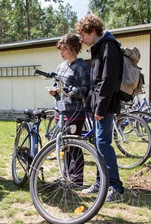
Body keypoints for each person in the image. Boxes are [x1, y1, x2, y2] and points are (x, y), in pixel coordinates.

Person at [75, 14, 125, 202]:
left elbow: (108, 81)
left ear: (93, 31)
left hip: (105, 107)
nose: (82, 40)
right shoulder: (99, 48)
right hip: (98, 106)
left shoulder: (108, 47)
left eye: (83, 35)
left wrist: (100, 109)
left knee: (103, 144)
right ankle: (101, 182)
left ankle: (116, 188)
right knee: (98, 145)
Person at [49, 33, 90, 186]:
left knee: (74, 147)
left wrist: (69, 90)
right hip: (60, 112)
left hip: (75, 113)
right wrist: (54, 91)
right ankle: (66, 176)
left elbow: (85, 90)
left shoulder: (81, 67)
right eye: (60, 49)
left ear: (73, 48)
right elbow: (58, 86)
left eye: (64, 49)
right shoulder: (60, 67)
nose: (61, 52)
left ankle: (77, 179)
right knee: (64, 146)